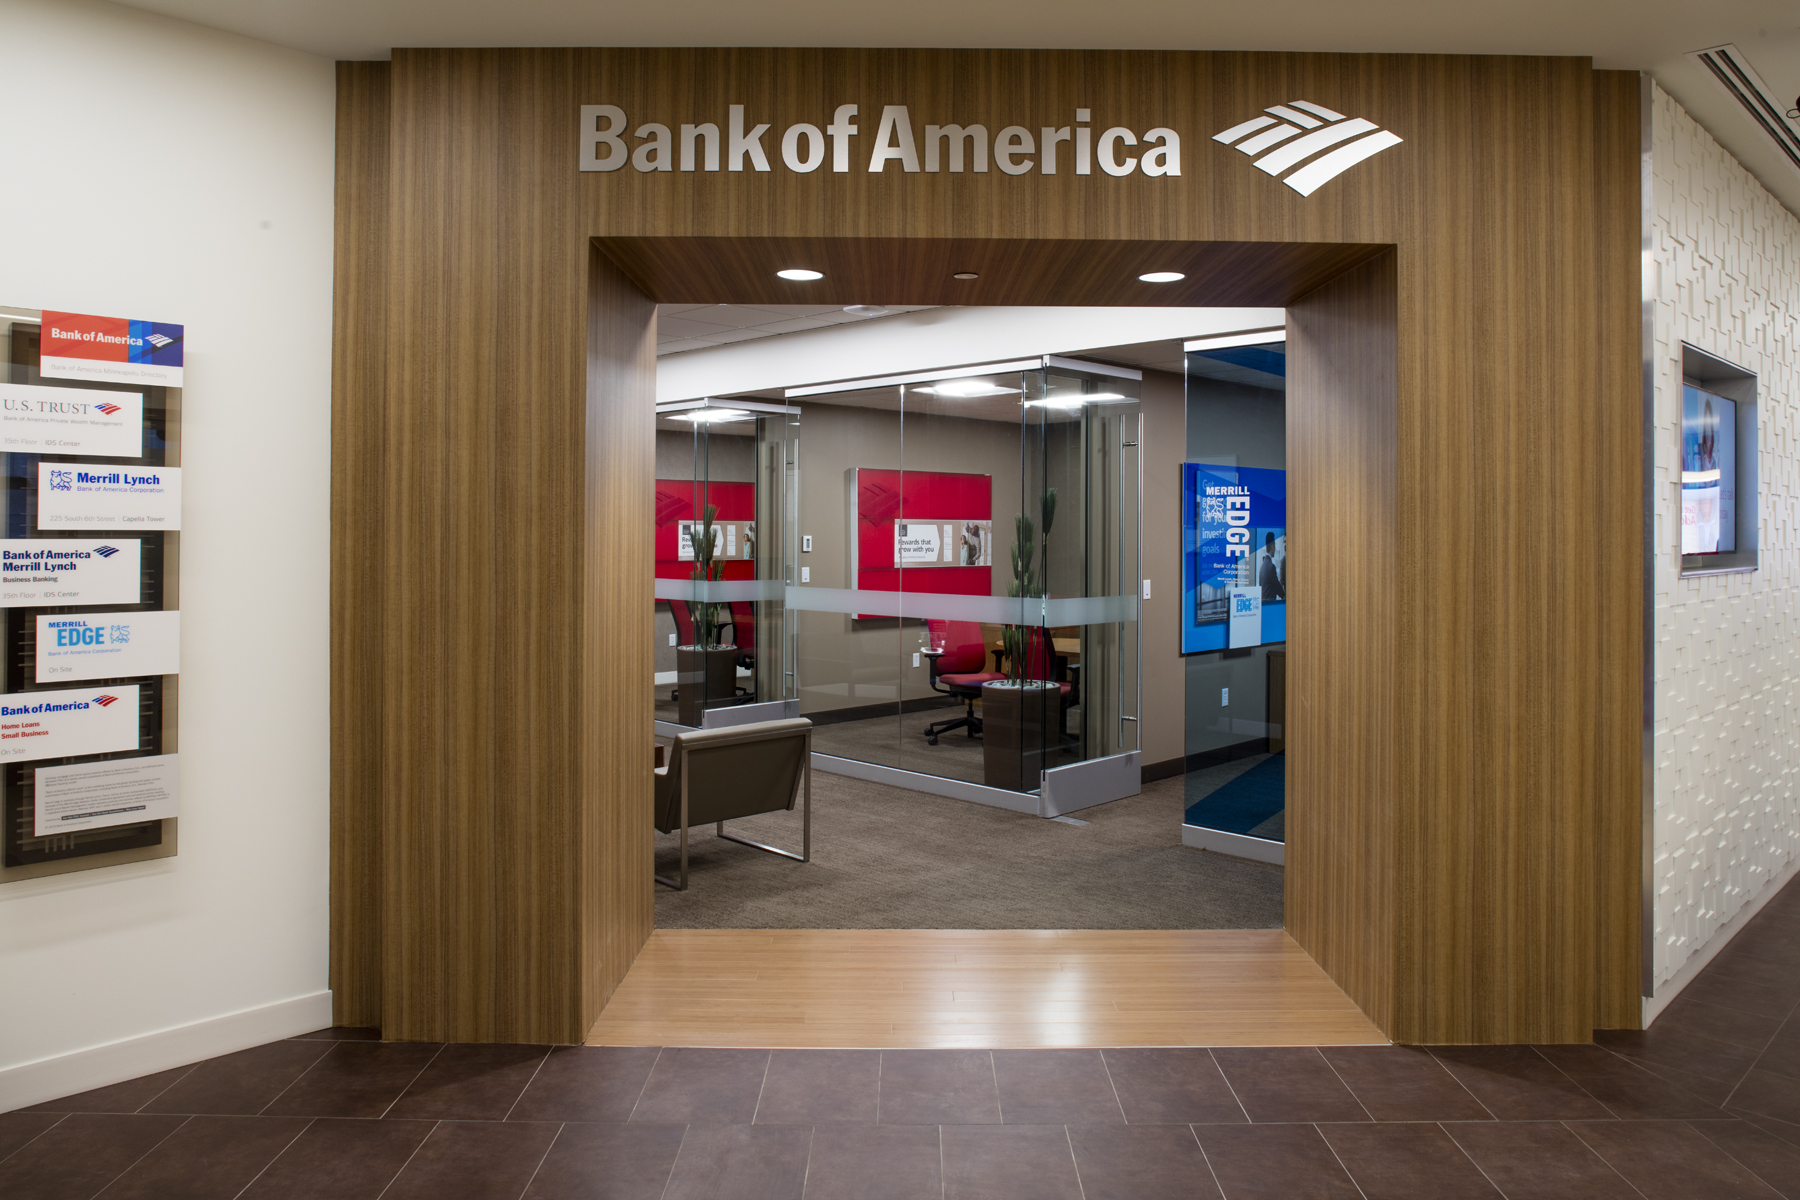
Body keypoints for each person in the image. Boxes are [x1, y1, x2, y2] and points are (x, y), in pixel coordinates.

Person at [1259, 532, 1285, 602]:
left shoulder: (1262, 567)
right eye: (1275, 546)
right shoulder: (1271, 567)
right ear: (1272, 546)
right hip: (1270, 604)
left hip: (1264, 603)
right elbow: (1277, 586)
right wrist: (1284, 595)